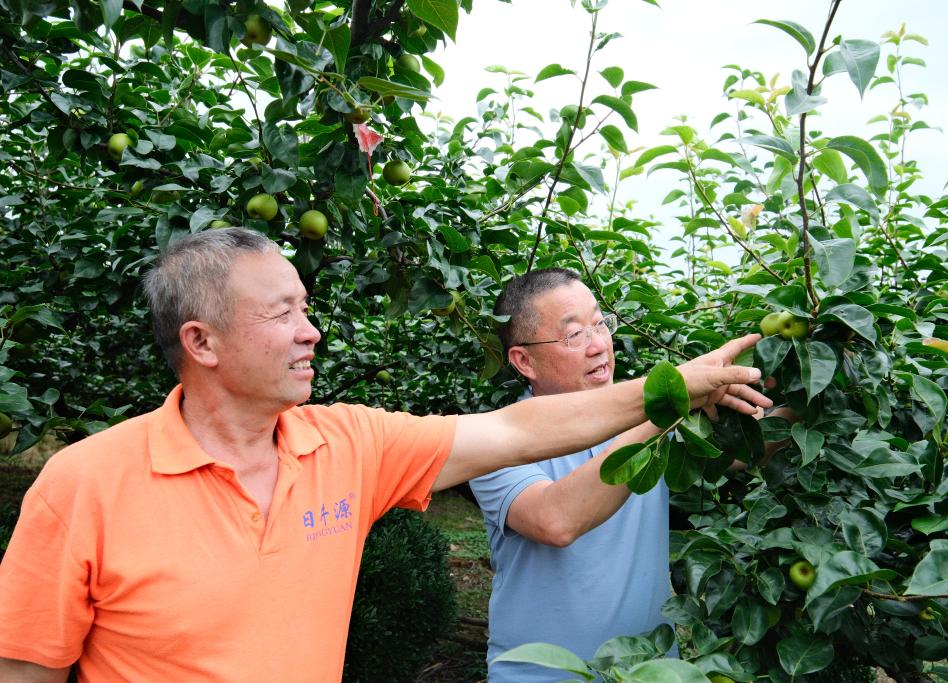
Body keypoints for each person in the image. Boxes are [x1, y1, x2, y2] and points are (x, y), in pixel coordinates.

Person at [0, 229, 769, 683]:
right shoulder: (86, 482)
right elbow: (27, 668)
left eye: (307, 308)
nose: (311, 332)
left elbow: (513, 431)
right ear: (201, 341)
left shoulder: (349, 446)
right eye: (283, 313)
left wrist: (678, 388)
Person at [470, 268, 778, 682]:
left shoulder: (640, 419)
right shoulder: (494, 439)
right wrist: (667, 403)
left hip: (651, 672)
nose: (599, 345)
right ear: (524, 361)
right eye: (573, 335)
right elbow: (555, 520)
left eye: (600, 324)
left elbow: (743, 452)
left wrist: (809, 400)